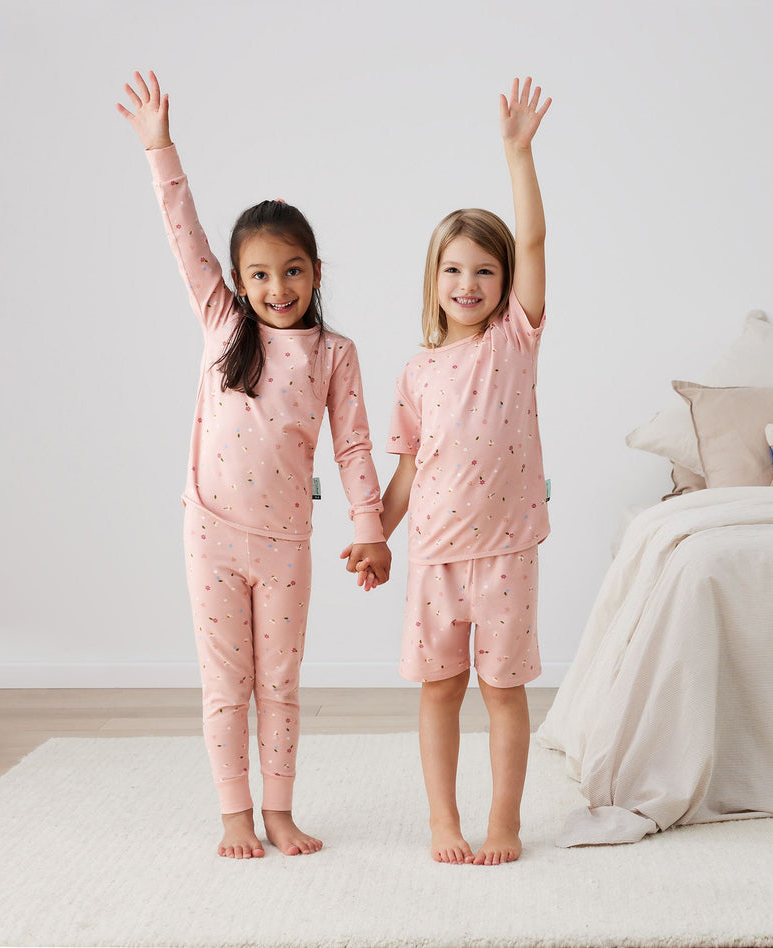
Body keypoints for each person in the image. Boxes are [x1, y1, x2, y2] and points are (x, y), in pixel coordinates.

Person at [116, 71, 391, 860]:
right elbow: (185, 234)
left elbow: (354, 448)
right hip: (211, 531)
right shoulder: (219, 319)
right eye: (261, 275)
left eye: (294, 270)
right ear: (239, 282)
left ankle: (278, 811)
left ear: (316, 272)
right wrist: (159, 147)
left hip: (286, 544)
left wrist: (370, 530)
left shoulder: (337, 355)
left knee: (280, 685)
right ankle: (234, 813)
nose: (278, 288)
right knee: (225, 684)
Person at [377, 76, 552, 865]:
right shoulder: (417, 371)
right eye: (453, 271)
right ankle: (443, 821)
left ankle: (504, 822)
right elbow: (408, 474)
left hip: (507, 551)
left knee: (504, 693)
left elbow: (536, 243)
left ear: (504, 283)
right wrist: (373, 532)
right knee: (440, 691)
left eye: (484, 271)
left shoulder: (515, 338)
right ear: (433, 281)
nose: (468, 285)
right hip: (435, 558)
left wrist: (518, 153)